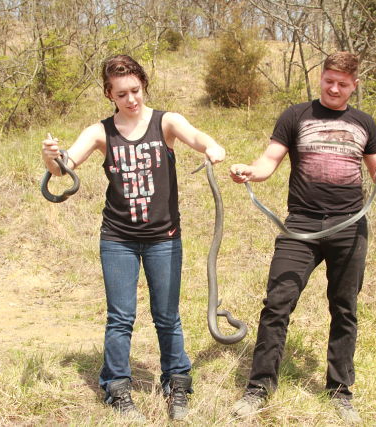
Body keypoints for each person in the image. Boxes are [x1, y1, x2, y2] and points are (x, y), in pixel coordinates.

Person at [41, 54, 225, 422]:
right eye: (122, 93)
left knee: (167, 316)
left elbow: (196, 136)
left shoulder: (165, 122)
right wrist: (51, 158)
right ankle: (117, 388)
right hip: (118, 239)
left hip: (164, 237)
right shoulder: (100, 132)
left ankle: (177, 383)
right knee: (120, 318)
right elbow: (64, 169)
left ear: (143, 86)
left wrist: (211, 147)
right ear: (110, 94)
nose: (131, 99)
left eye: (136, 90)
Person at [229, 51, 376, 424]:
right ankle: (258, 388)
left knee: (344, 308)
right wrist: (249, 171)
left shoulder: (364, 123)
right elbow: (268, 162)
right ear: (321, 78)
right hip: (301, 225)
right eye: (328, 81)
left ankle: (340, 392)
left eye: (342, 83)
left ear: (354, 85)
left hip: (349, 227)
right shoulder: (295, 116)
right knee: (277, 304)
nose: (334, 88)